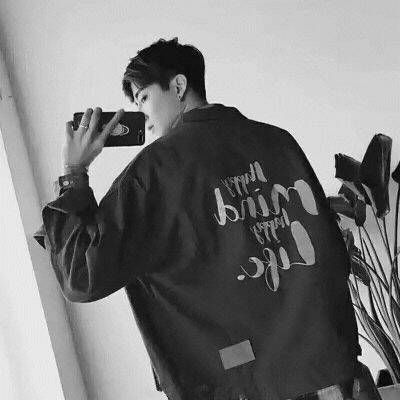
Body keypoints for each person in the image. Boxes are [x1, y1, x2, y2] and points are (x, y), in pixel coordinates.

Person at [34, 37, 383, 400]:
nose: (144, 118)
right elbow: (331, 252)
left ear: (178, 86)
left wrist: (73, 174)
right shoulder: (279, 141)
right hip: (333, 377)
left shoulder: (156, 171)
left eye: (144, 98)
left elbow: (82, 275)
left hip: (241, 385)